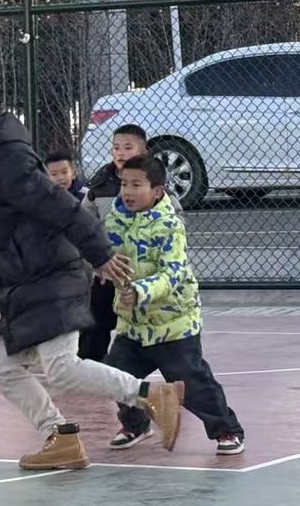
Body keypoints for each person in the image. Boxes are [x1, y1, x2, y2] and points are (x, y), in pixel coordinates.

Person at [0, 84, 184, 471]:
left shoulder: (9, 160)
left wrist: (100, 253)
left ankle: (150, 395)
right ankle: (60, 437)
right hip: (25, 283)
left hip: (50, 276)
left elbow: (61, 207)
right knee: (3, 371)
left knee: (61, 367)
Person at [102, 155, 245, 455]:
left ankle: (226, 430)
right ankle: (136, 424)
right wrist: (101, 268)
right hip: (133, 324)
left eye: (137, 185)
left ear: (157, 191)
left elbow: (173, 273)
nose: (128, 191)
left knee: (192, 382)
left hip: (173, 323)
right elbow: (106, 257)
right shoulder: (115, 221)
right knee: (116, 375)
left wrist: (140, 291)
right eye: (124, 184)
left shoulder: (169, 226)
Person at [77, 124, 151, 362]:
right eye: (116, 147)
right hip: (108, 270)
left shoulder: (154, 183)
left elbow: (175, 219)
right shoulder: (100, 186)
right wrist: (96, 261)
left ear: (143, 151)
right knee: (95, 324)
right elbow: (84, 225)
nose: (121, 153)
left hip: (144, 274)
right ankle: (91, 364)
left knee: (149, 328)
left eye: (128, 148)